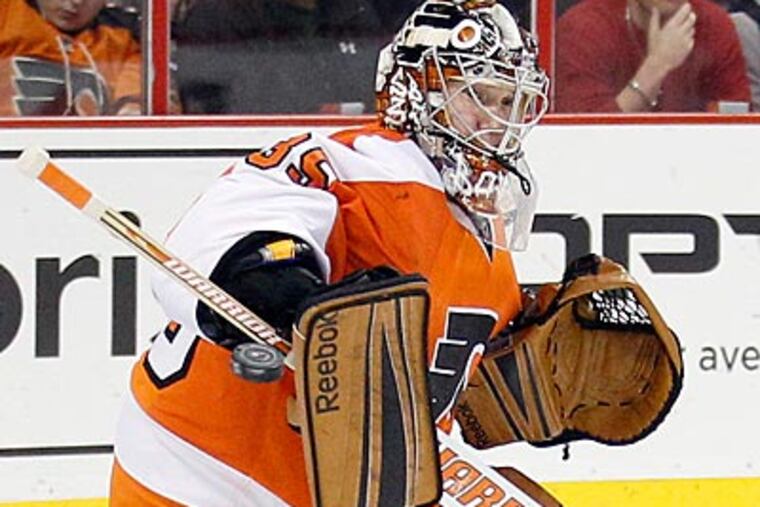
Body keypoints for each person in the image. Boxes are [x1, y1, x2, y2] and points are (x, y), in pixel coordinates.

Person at [109, 0, 682, 504]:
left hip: (340, 484)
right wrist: (287, 294)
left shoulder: (488, 228)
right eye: (478, 95)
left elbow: (428, 393)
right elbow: (226, 237)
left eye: (510, 99)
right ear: (419, 88)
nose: (497, 119)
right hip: (200, 467)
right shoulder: (356, 161)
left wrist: (516, 361)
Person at [554, 0, 751, 112]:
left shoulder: (714, 24)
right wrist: (656, 67)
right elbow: (583, 142)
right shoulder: (583, 28)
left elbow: (737, 128)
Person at [0, 0, 142, 116]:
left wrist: (131, 107)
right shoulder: (8, 13)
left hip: (88, 140)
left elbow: (131, 105)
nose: (76, 2)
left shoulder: (127, 36)